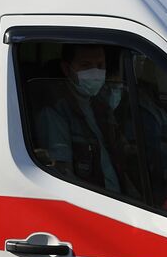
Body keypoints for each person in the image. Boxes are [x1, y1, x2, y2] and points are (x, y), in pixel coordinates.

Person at [33, 42, 125, 194]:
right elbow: (63, 175)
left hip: (119, 200)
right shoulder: (55, 111)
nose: (95, 72)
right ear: (67, 69)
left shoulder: (101, 107)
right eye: (86, 65)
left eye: (100, 65)